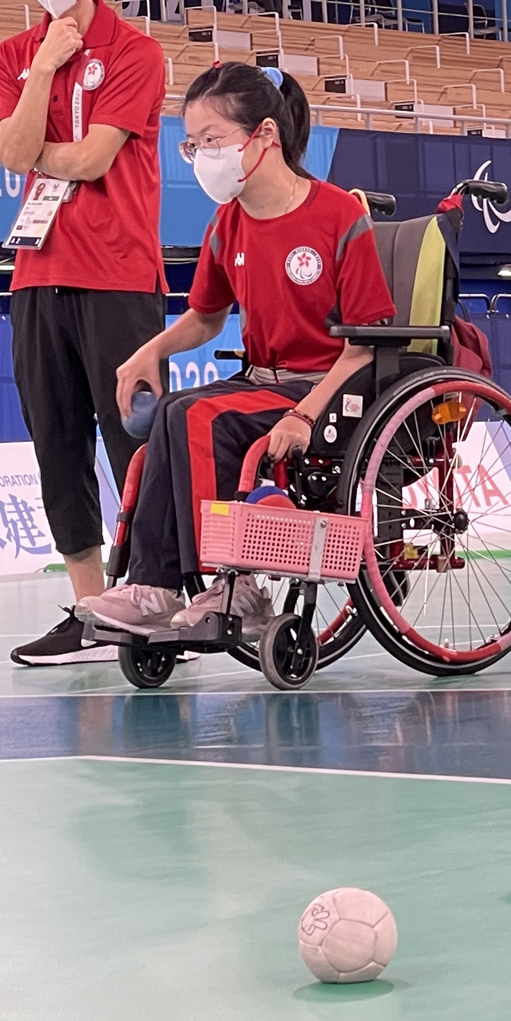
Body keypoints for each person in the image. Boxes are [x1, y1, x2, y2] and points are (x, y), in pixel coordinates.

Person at [73, 63, 395, 636]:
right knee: (173, 411)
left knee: (199, 416)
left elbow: (366, 346)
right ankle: (152, 585)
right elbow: (205, 315)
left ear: (265, 135)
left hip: (328, 386)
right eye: (191, 145)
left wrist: (303, 413)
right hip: (261, 381)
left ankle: (235, 583)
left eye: (212, 141)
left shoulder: (339, 215)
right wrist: (149, 351)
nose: (200, 157)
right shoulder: (227, 223)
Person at [0, 0, 169, 666]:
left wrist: (37, 149)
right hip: (37, 276)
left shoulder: (135, 52)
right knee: (55, 443)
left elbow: (94, 159)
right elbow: (10, 153)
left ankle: (152, 593)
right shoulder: (11, 56)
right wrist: (43, 68)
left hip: (119, 273)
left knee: (138, 442)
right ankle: (92, 611)